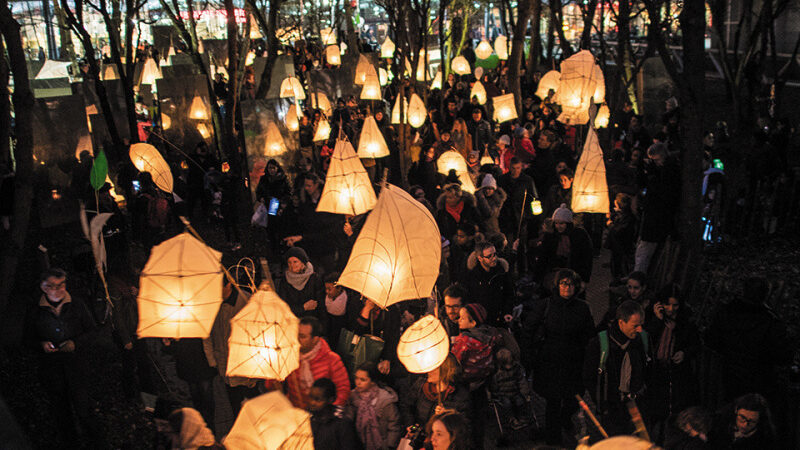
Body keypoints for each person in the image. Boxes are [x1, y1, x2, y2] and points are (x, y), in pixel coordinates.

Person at [521, 269, 594, 445]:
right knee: (552, 402)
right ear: (557, 285)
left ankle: (564, 419)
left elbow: (589, 335)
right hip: (549, 362)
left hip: (573, 362)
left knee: (573, 399)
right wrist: (528, 355)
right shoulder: (545, 305)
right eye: (563, 283)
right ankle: (553, 439)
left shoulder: (582, 308)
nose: (567, 287)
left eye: (570, 284)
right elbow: (528, 329)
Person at [29, 268, 100, 444]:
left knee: (84, 410)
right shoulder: (36, 311)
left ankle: (95, 443)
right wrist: (41, 345)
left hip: (77, 369)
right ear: (43, 288)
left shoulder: (77, 305)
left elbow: (92, 331)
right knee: (61, 413)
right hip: (52, 371)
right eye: (52, 286)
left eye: (61, 285)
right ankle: (70, 442)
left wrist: (75, 343)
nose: (57, 289)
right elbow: (27, 338)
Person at [705, 277, 792, 401]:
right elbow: (783, 356)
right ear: (766, 294)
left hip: (730, 374)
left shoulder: (727, 312)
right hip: (759, 379)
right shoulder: (770, 321)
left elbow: (711, 340)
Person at [583, 300, 649, 437]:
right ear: (621, 323)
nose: (639, 329)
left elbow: (649, 370)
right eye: (635, 325)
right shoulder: (599, 344)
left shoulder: (641, 340)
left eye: (641, 325)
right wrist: (601, 402)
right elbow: (589, 377)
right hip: (611, 409)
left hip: (637, 406)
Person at [644, 284, 700, 441]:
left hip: (676, 376)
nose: (671, 309)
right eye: (668, 304)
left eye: (675, 305)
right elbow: (646, 340)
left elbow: (694, 344)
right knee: (654, 413)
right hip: (655, 373)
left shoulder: (686, 322)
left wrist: (684, 353)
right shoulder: (652, 318)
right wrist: (657, 320)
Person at [204, 277, 258, 416]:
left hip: (246, 366)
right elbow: (207, 332)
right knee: (234, 404)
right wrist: (212, 360)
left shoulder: (247, 302)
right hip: (225, 363)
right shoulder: (212, 304)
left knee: (253, 403)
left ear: (228, 285)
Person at [285, 316, 350, 409]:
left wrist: (329, 413)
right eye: (297, 335)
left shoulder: (331, 359)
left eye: (302, 336)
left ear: (315, 339)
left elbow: (343, 389)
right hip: (296, 413)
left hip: (322, 416)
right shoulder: (288, 356)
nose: (298, 339)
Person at [634, 143, 680, 273]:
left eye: (656, 160)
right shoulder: (658, 170)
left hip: (658, 217)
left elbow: (663, 192)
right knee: (643, 247)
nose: (654, 163)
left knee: (645, 248)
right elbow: (643, 183)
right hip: (652, 213)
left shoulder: (670, 171)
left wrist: (652, 175)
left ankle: (638, 276)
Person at [400, 353, 470, 430]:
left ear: (445, 370)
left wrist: (448, 415)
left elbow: (465, 424)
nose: (428, 371)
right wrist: (410, 424)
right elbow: (406, 406)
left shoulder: (459, 395)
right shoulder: (421, 385)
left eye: (433, 368)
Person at [348, 362, 403, 450]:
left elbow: (394, 426)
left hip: (381, 446)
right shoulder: (352, 397)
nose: (358, 383)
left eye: (363, 380)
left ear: (372, 381)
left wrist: (389, 446)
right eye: (356, 378)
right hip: (358, 445)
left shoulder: (385, 400)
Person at [534, 204, 593, 283]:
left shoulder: (579, 235)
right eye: (556, 223)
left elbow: (586, 257)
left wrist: (584, 278)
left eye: (562, 223)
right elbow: (544, 256)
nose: (558, 226)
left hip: (574, 272)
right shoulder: (550, 236)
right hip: (554, 273)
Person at [462, 241, 513, 324]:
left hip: (499, 320)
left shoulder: (501, 272)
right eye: (489, 256)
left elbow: (509, 294)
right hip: (480, 322)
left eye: (495, 254)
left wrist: (507, 312)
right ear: (480, 258)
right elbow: (468, 298)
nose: (494, 258)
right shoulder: (472, 276)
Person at [708, 393, 776, 449]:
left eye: (752, 421)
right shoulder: (719, 423)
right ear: (736, 410)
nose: (745, 425)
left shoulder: (765, 439)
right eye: (742, 417)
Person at [277, 247, 326, 323]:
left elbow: (320, 305)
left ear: (302, 263)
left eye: (295, 262)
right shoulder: (284, 281)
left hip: (311, 322)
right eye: (289, 262)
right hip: (291, 321)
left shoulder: (315, 279)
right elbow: (283, 307)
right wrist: (303, 308)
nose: (292, 265)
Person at [309, 378, 360, 450]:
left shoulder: (342, 423)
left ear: (331, 400)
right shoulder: (310, 419)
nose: (312, 403)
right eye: (311, 397)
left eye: (318, 399)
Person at [489, 347, 532, 430]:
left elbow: (521, 380)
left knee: (520, 402)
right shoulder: (498, 373)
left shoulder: (516, 368)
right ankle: (511, 419)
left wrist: (525, 391)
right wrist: (494, 394)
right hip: (503, 394)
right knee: (507, 404)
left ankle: (522, 418)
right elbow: (494, 385)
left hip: (515, 391)